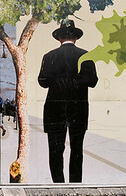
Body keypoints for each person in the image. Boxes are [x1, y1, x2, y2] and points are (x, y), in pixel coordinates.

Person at [38, 19, 98, 183]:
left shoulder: (49, 56)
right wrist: (76, 81)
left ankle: (58, 184)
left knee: (55, 150)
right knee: (77, 149)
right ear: (76, 38)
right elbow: (93, 81)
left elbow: (42, 81)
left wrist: (58, 81)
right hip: (78, 108)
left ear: (59, 38)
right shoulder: (85, 56)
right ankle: (75, 184)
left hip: (54, 109)